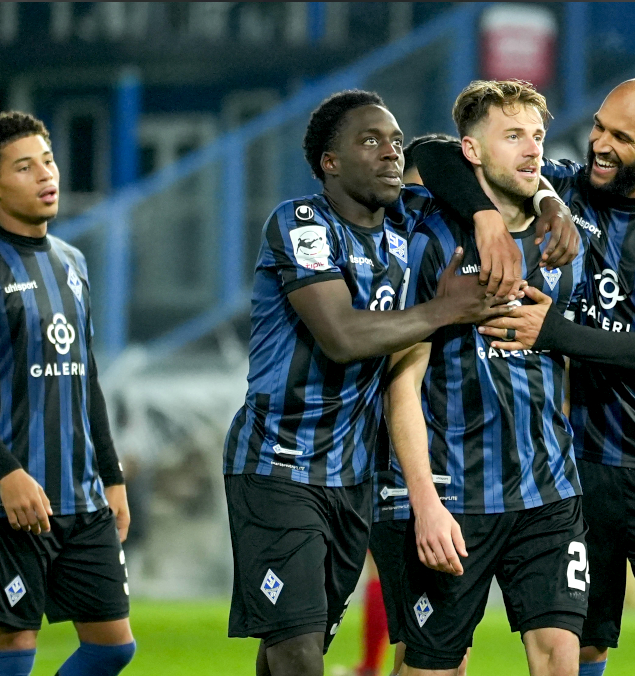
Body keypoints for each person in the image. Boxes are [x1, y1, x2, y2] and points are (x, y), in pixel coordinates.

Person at [222, 89, 580, 676]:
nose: (391, 152)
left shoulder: (407, 221)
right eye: (370, 141)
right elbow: (341, 335)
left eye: (393, 141)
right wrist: (446, 310)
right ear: (329, 162)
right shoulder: (302, 223)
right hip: (281, 462)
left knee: (296, 643)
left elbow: (436, 153)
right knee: (298, 649)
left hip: (355, 473)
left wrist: (544, 201)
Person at [414, 77, 635, 676]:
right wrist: (491, 216)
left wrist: (555, 331)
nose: (600, 145)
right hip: (577, 468)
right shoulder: (563, 187)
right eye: (598, 127)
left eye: (622, 138)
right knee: (580, 644)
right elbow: (430, 153)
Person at [387, 79, 588, 676]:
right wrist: (424, 503)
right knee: (433, 667)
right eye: (513, 136)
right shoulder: (431, 241)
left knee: (560, 657)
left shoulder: (560, 242)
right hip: (456, 495)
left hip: (549, 493)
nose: (533, 149)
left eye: (538, 136)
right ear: (472, 151)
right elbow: (402, 384)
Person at [0, 111, 136, 676]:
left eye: (47, 161)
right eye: (24, 167)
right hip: (6, 497)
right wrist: (7, 473)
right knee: (15, 642)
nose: (46, 174)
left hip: (82, 495)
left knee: (113, 647)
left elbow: (85, 378)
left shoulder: (73, 262)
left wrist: (113, 476)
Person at [360, 132, 465, 676]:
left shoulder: (451, 259)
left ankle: (367, 663)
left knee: (441, 654)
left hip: (447, 461)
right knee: (432, 656)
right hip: (395, 461)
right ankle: (367, 662)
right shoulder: (397, 259)